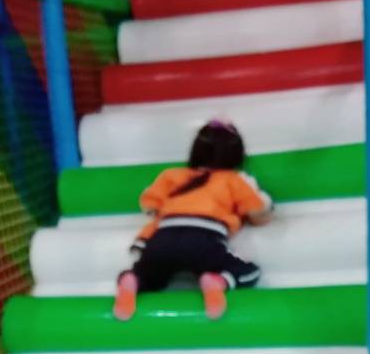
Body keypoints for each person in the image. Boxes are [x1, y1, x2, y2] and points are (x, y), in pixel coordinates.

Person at [113, 120, 273, 321]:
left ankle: (133, 280)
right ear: (236, 155)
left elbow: (149, 204)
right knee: (249, 272)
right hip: (204, 240)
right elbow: (256, 213)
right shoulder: (233, 179)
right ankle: (217, 280)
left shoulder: (171, 175)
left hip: (163, 238)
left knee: (150, 276)